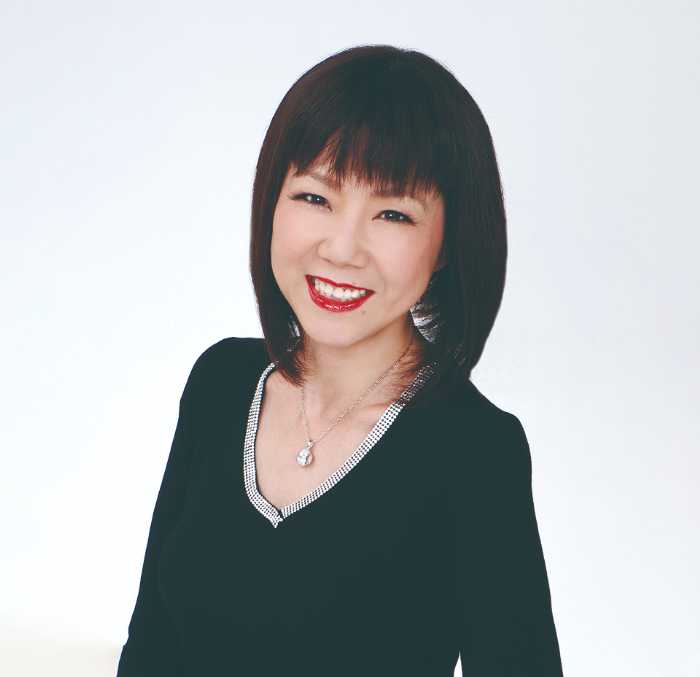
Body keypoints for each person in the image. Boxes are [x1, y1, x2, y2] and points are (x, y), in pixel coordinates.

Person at [116, 44, 564, 676]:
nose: (343, 249)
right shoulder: (220, 383)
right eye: (315, 198)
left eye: (393, 213)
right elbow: (150, 650)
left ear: (447, 244)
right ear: (271, 201)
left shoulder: (475, 451)